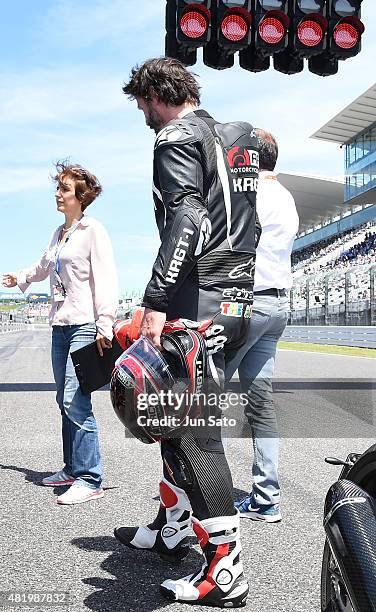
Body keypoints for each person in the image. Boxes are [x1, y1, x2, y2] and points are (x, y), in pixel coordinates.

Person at [114, 57, 260, 608]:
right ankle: (174, 528)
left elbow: (188, 217)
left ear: (154, 94)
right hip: (235, 299)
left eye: (141, 103)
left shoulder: (175, 136)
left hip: (195, 303)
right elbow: (252, 221)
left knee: (195, 438)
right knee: (177, 426)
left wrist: (154, 299)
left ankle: (225, 574)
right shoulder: (239, 138)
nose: (143, 115)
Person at [2, 162, 118, 505]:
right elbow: (42, 267)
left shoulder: (93, 230)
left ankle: (90, 477)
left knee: (74, 398)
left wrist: (105, 323)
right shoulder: (59, 233)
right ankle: (72, 467)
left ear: (80, 197)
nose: (58, 193)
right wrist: (19, 278)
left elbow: (107, 278)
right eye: (59, 188)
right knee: (62, 400)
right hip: (60, 326)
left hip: (84, 325)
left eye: (65, 189)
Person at [226, 130, 299, 523]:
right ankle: (265, 498)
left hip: (246, 302)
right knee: (261, 405)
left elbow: (233, 246)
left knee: (204, 395)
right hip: (277, 305)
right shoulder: (286, 196)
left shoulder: (250, 192)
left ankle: (204, 494)